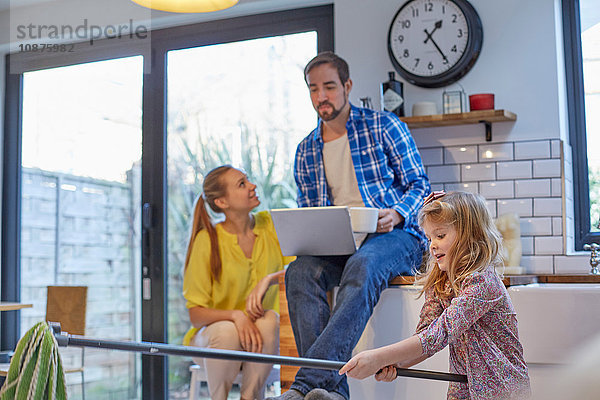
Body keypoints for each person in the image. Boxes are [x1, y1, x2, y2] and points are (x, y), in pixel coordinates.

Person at [268, 52, 430, 400]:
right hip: (340, 242)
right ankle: (334, 394)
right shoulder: (306, 151)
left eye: (329, 86)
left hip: (396, 235)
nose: (321, 96)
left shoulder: (384, 126)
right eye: (313, 89)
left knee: (365, 263)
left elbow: (421, 186)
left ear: (347, 86)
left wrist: (398, 213)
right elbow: (309, 211)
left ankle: (307, 384)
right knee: (299, 273)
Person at [339, 191, 532, 400]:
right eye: (429, 237)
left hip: (504, 390)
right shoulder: (441, 283)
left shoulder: (483, 282)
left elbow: (438, 335)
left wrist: (378, 357)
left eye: (440, 236)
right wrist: (395, 363)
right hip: (463, 390)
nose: (432, 244)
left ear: (471, 234)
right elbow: (424, 338)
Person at [182, 165, 295, 400]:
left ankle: (250, 397)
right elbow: (196, 314)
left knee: (269, 319)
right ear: (222, 202)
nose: (252, 186)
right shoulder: (207, 240)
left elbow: (304, 264)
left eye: (248, 180)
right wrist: (236, 315)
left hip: (257, 339)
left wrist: (270, 279)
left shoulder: (269, 225)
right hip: (213, 340)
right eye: (242, 184)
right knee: (227, 331)